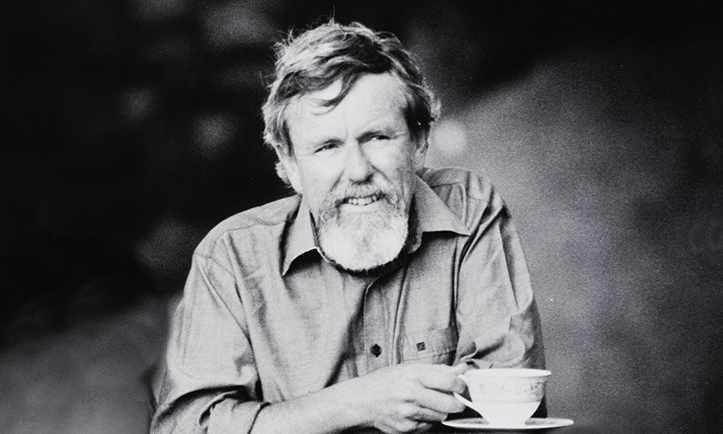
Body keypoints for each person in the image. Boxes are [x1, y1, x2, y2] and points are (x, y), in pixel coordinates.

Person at [150, 20, 545, 434]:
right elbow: (187, 428)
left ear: (419, 142)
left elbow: (509, 397)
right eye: (327, 147)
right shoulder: (230, 258)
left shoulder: (470, 209)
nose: (357, 171)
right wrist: (359, 403)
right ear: (288, 165)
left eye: (377, 138)